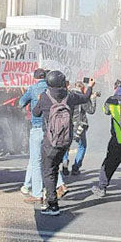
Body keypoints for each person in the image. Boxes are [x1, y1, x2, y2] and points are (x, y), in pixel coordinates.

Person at [32, 70, 94, 216]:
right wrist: (90, 86)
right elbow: (85, 98)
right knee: (54, 168)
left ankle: (52, 205)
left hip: (50, 141)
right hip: (66, 141)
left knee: (48, 171)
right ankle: (53, 200)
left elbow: (35, 113)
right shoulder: (70, 96)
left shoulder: (45, 98)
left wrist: (39, 100)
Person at [18, 69, 68, 204]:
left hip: (37, 128)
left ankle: (37, 193)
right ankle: (60, 184)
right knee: (51, 161)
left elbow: (21, 103)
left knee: (36, 162)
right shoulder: (57, 90)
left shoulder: (33, 89)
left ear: (34, 77)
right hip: (53, 130)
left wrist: (29, 99)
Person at [61, 81, 97, 176]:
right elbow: (91, 110)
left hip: (67, 124)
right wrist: (93, 99)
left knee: (66, 145)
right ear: (82, 88)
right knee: (82, 146)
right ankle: (76, 167)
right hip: (79, 125)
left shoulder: (68, 96)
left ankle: (65, 161)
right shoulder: (81, 97)